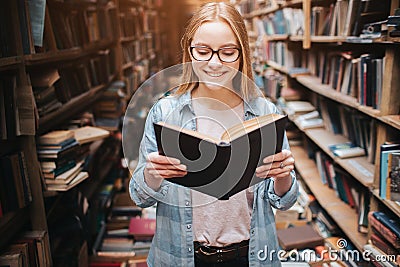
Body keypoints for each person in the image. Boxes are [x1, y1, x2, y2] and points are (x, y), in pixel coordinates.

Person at [129, 2, 299, 266]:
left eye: (228, 52)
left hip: (250, 256)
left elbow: (285, 201)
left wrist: (283, 177)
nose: (215, 63)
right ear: (189, 51)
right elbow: (140, 196)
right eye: (203, 51)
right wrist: (152, 175)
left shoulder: (265, 112)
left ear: (242, 54)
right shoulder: (164, 113)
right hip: (181, 256)